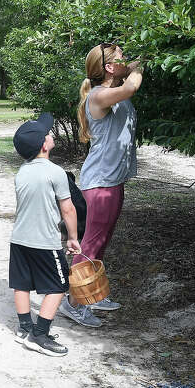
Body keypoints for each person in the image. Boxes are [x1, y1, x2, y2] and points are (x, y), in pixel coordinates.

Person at [58, 42, 143, 328]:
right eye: (122, 58)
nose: (128, 61)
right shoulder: (99, 95)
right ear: (109, 67)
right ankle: (74, 303)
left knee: (101, 242)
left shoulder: (110, 92)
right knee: (89, 246)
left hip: (113, 180)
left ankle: (92, 293)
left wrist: (128, 64)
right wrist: (143, 61)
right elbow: (132, 87)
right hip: (101, 184)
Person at [10, 113, 81, 357]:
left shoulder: (22, 171)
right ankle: (39, 335)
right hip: (45, 242)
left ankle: (24, 327)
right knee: (59, 284)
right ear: (44, 144)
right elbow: (68, 208)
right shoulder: (56, 172)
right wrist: (72, 237)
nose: (51, 134)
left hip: (19, 239)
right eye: (48, 133)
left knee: (22, 283)